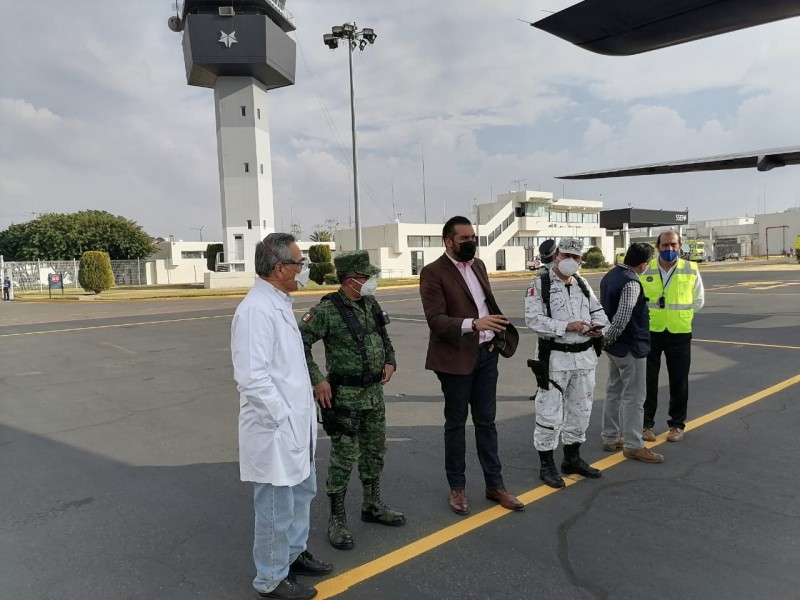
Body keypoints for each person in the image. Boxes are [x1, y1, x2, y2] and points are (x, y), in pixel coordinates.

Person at [231, 233, 331, 600]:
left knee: (301, 494)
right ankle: (271, 579)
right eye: (299, 263)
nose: (303, 269)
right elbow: (252, 378)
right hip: (275, 430)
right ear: (279, 268)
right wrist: (282, 419)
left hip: (295, 426)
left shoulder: (278, 303)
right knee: (275, 507)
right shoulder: (255, 311)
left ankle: (293, 554)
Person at [299, 250, 405, 551]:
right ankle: (337, 519)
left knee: (375, 451)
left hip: (373, 394)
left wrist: (390, 360)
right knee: (344, 458)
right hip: (345, 397)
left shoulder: (370, 303)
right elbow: (299, 341)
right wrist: (317, 379)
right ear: (349, 280)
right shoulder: (327, 310)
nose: (371, 281)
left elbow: (383, 337)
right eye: (365, 277)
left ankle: (372, 504)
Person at [419, 216, 523, 516]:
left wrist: (493, 336)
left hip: (486, 355)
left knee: (487, 423)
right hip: (455, 359)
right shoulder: (432, 272)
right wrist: (474, 324)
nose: (471, 243)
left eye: (473, 237)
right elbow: (436, 320)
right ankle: (457, 489)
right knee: (456, 425)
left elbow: (485, 305)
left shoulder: (478, 266)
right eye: (464, 239)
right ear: (448, 241)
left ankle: (495, 485)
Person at [524, 237, 609, 488]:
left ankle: (572, 459)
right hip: (554, 359)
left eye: (575, 257)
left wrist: (598, 328)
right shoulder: (540, 284)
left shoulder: (582, 283)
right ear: (556, 256)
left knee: (581, 412)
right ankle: (547, 464)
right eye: (566, 255)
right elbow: (533, 320)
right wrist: (566, 326)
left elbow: (598, 312)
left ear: (581, 260)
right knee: (549, 413)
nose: (570, 260)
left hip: (584, 358)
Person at [599, 243, 663, 463]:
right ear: (644, 264)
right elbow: (622, 317)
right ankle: (634, 445)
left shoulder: (610, 276)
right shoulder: (631, 282)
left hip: (614, 348)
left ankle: (610, 437)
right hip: (630, 347)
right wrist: (609, 338)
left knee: (614, 391)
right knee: (634, 397)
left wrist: (606, 341)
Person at [640, 230, 704, 443]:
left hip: (679, 332)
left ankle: (677, 425)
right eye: (665, 245)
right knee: (647, 381)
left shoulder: (690, 269)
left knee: (679, 380)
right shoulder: (646, 268)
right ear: (658, 247)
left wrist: (681, 316)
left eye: (673, 245)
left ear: (680, 246)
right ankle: (646, 425)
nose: (669, 249)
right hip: (652, 331)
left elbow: (698, 300)